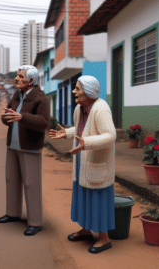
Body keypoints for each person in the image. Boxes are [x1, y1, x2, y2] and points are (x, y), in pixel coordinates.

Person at [49, 75, 116, 254]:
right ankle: (86, 230)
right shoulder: (81, 108)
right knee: (83, 196)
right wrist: (68, 134)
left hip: (95, 162)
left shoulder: (101, 109)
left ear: (88, 91)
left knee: (98, 198)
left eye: (77, 89)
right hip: (82, 161)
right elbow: (81, 130)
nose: (74, 92)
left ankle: (104, 239)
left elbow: (110, 136)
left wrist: (85, 143)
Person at [0, 65, 50, 236]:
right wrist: (6, 117)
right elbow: (9, 117)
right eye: (17, 76)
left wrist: (22, 117)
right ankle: (12, 213)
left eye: (20, 76)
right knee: (10, 179)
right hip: (12, 146)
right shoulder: (17, 95)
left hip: (29, 148)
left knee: (30, 183)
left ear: (31, 81)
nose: (16, 79)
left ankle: (35, 221)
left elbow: (43, 123)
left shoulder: (41, 99)